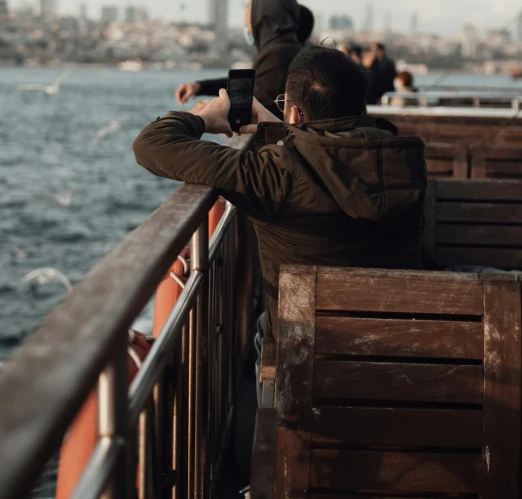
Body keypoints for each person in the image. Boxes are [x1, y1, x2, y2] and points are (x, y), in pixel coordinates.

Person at [134, 45, 427, 344]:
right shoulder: (401, 160)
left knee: (264, 330)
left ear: (295, 114)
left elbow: (151, 144)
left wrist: (205, 118)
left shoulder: (277, 176)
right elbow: (333, 156)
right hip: (403, 346)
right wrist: (279, 128)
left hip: (311, 357)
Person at [175, 0, 303, 112]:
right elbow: (249, 84)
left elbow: (258, 108)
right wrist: (199, 87)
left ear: (262, 15)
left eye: (248, 9)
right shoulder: (284, 49)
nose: (246, 18)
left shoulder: (278, 55)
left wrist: (207, 110)